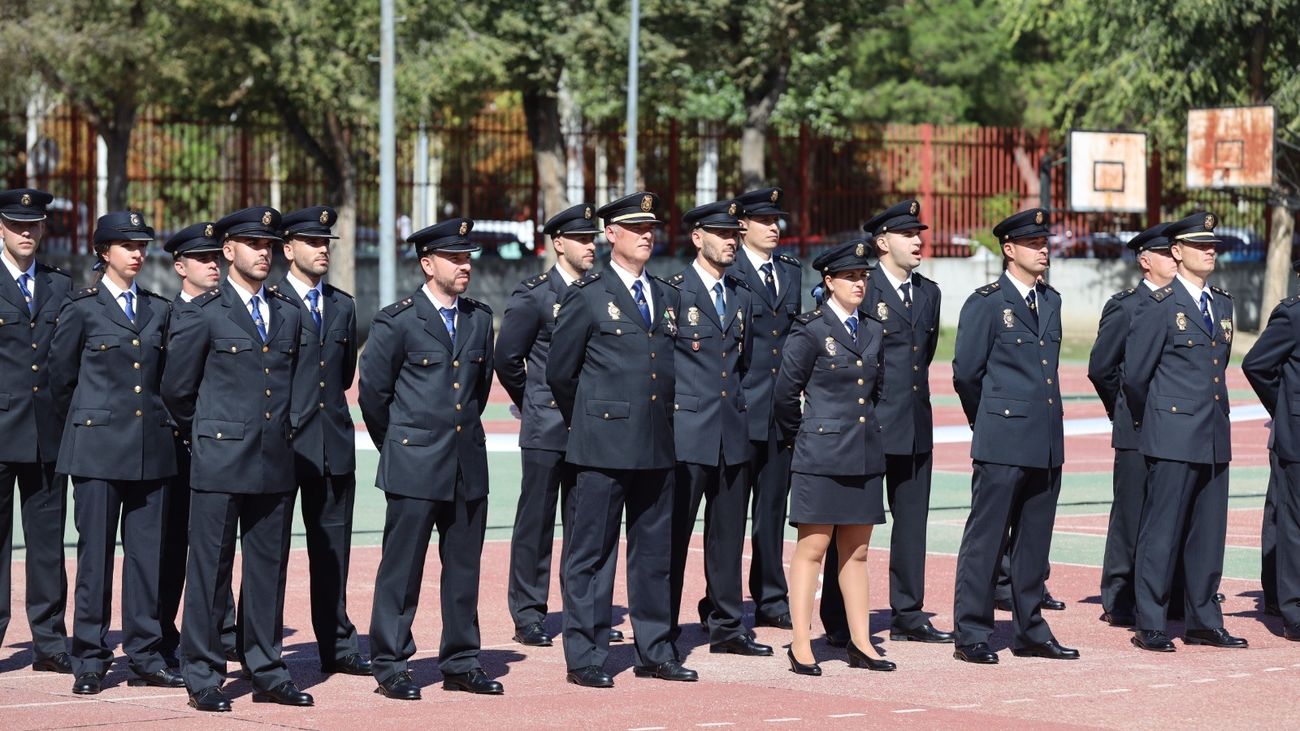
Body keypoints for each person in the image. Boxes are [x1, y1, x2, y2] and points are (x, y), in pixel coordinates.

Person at [162, 206, 312, 711]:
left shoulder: (286, 312)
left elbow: (293, 386)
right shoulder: (204, 313)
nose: (263, 252)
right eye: (254, 244)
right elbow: (178, 392)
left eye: (268, 245)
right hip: (220, 459)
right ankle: (202, 673)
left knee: (268, 570)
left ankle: (266, 667)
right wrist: (210, 435)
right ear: (229, 252)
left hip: (273, 460)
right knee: (211, 570)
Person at [548, 192, 695, 688]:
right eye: (636, 228)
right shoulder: (587, 294)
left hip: (656, 443)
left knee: (654, 553)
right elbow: (561, 373)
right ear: (611, 234)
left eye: (651, 227)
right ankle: (585, 655)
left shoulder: (666, 294)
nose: (647, 235)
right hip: (601, 445)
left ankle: (655, 649)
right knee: (591, 554)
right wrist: (592, 420)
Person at [359, 218, 504, 699]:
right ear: (428, 263)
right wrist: (403, 446)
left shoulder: (480, 318)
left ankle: (461, 661)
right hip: (414, 465)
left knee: (463, 570)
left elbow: (477, 394)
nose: (465, 266)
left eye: (468, 258)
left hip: (467, 464)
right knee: (402, 570)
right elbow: (374, 397)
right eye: (454, 258)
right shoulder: (397, 320)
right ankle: (391, 662)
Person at [47, 212, 182, 695]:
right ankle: (89, 656)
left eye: (142, 244)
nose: (138, 252)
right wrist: (91, 423)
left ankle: (145, 653)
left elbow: (168, 377)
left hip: (151, 451)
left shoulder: (158, 308)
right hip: (98, 451)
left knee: (147, 558)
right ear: (104, 251)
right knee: (95, 556)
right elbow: (60, 381)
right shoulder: (81, 308)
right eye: (127, 244)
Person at [819, 200, 953, 647]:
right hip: (869, 424)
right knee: (849, 522)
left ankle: (908, 612)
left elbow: (922, 357)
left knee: (912, 523)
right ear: (881, 243)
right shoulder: (860, 287)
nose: (918, 241)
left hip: (914, 422)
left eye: (920, 233)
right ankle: (838, 618)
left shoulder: (929, 292)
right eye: (907, 234)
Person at [951, 208, 1077, 664]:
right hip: (1002, 439)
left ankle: (1030, 630)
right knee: (986, 540)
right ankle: (972, 632)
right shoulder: (985, 303)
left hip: (1044, 440)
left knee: (1033, 542)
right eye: (1033, 243)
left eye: (1045, 243)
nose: (1043, 250)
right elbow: (966, 373)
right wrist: (987, 421)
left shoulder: (1052, 301)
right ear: (1009, 250)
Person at [494, 203, 618, 647]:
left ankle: (582, 610)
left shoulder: (603, 291)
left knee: (587, 523)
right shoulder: (534, 295)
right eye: (582, 240)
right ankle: (528, 612)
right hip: (547, 423)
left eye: (593, 240)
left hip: (592, 425)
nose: (591, 247)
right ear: (558, 243)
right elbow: (507, 358)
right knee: (537, 522)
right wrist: (531, 401)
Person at [1125, 212, 1245, 652]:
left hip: (1213, 432)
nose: (1209, 251)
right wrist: (1158, 422)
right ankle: (1151, 622)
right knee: (1162, 532)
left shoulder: (1223, 304)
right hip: (1173, 432)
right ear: (1176, 252)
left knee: (1208, 534)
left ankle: (1203, 619)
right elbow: (1135, 377)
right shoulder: (1159, 306)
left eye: (1212, 245)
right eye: (1199, 245)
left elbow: (1218, 367)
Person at [774, 240, 894, 675]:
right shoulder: (809, 329)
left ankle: (861, 642)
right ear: (828, 282)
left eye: (863, 276)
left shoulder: (875, 330)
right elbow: (785, 396)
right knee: (814, 547)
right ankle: (801, 643)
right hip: (821, 454)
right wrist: (807, 435)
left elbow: (876, 392)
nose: (859, 283)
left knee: (857, 552)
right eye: (850, 277)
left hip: (863, 453)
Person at [665, 200, 769, 657]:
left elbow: (744, 365)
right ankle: (661, 626)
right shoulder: (673, 291)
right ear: (697, 238)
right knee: (671, 536)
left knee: (728, 537)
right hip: (686, 434)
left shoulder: (742, 294)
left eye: (734, 233)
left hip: (732, 432)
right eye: (722, 233)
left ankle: (727, 626)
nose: (731, 240)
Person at [271, 206, 370, 676]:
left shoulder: (344, 305)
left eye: (326, 241)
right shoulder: (271, 302)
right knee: (269, 553)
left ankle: (337, 643)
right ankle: (263, 645)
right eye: (312, 242)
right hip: (283, 447)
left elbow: (343, 374)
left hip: (333, 445)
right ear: (288, 249)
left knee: (332, 552)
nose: (323, 248)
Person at [1087, 222, 1180, 628]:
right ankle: (1120, 595)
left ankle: (1165, 591)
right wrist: (1122, 410)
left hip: (1173, 428)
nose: (1174, 259)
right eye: (1166, 254)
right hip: (1136, 427)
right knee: (1130, 513)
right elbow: (1102, 368)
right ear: (1145, 261)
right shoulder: (1126, 306)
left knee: (1168, 512)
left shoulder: (1182, 303)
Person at [0, 187, 72, 674]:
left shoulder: (60, 286)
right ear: (0, 228)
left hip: (48, 433)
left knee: (48, 545)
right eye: (16, 224)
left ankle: (49, 641)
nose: (26, 232)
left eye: (34, 225)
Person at [158, 223, 235, 668]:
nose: (213, 265)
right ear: (180, 266)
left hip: (219, 449)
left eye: (216, 258)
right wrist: (193, 427)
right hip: (176, 445)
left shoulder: (227, 313)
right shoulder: (164, 316)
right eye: (203, 259)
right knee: (171, 546)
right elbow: (169, 388)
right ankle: (166, 632)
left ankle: (222, 630)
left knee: (218, 542)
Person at [729, 187, 802, 630]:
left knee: (772, 511)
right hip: (739, 409)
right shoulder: (730, 272)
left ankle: (771, 597)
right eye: (765, 221)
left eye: (778, 220)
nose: (774, 228)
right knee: (731, 516)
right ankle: (725, 601)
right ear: (742, 226)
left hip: (779, 411)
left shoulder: (791, 272)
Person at [1243, 260, 1300, 640]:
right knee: (1294, 525)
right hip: (1297, 437)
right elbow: (1257, 364)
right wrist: (1283, 409)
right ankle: (1294, 608)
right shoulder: (1293, 315)